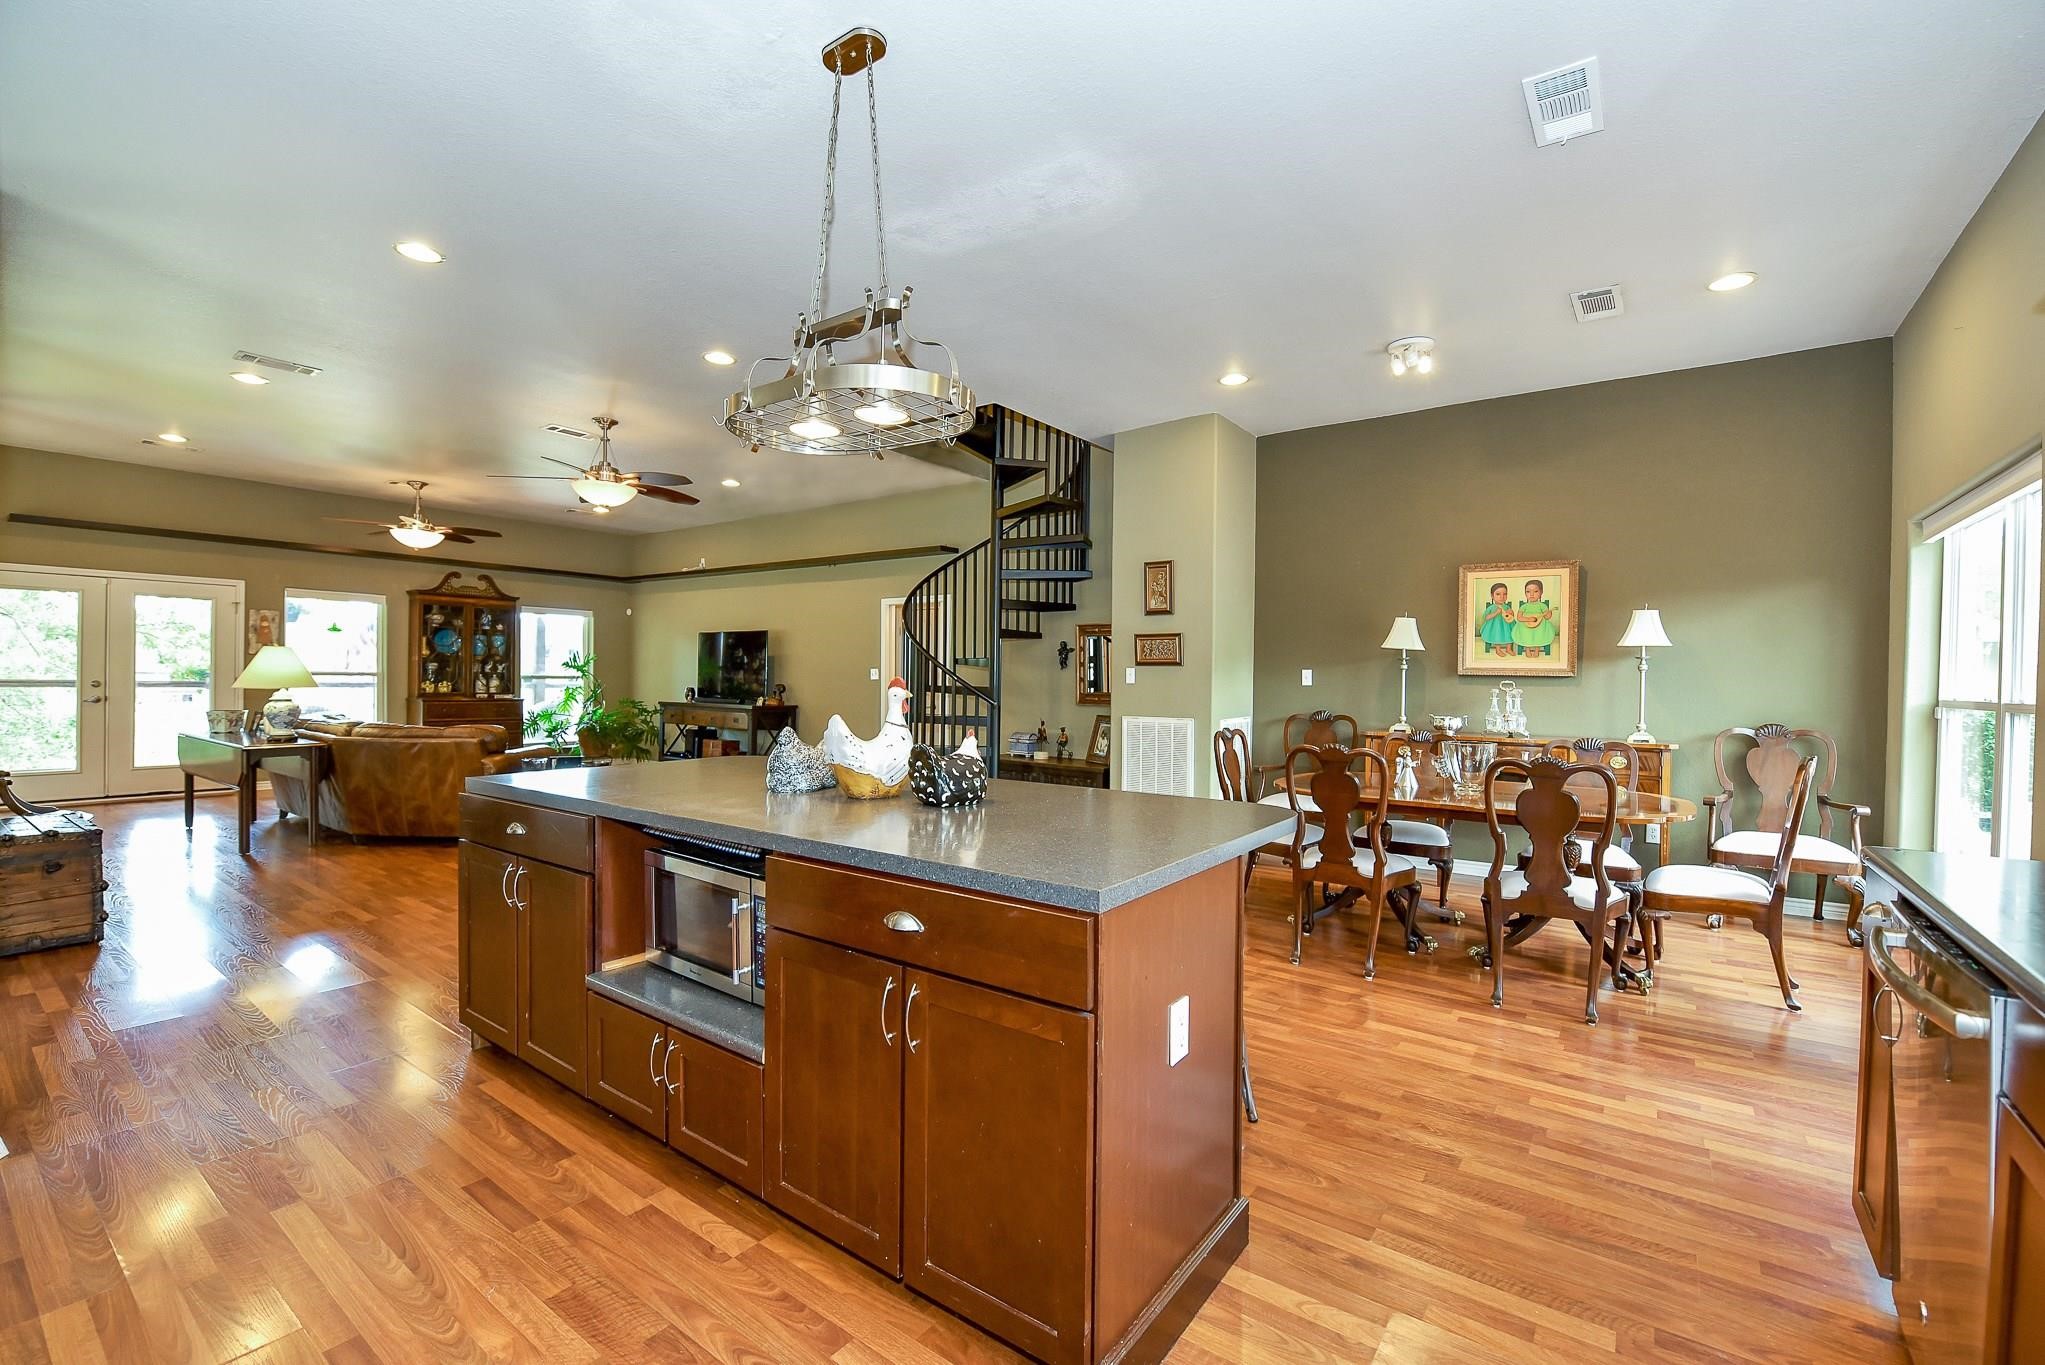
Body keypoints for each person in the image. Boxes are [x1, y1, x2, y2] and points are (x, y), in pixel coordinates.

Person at [1511, 579, 1559, 657]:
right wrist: (1528, 619)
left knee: (1540, 631)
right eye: (1528, 592)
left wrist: (1549, 613)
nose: (1532, 594)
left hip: (1540, 625)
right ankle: (1527, 649)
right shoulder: (1524, 606)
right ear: (1525, 593)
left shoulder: (1542, 606)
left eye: (1536, 591)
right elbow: (1519, 618)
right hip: (1526, 625)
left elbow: (1547, 617)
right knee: (1524, 631)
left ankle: (1537, 649)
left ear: (1541, 593)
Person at [1476, 581, 1517, 657]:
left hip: (1507, 625)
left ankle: (1508, 648)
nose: (1502, 597)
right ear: (1492, 596)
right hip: (1495, 625)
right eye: (1498, 594)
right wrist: (1496, 613)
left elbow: (1511, 615)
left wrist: (1511, 612)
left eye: (1504, 594)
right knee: (1497, 634)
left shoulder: (1506, 607)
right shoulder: (1491, 608)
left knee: (1510, 633)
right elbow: (1487, 617)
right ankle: (1498, 649)